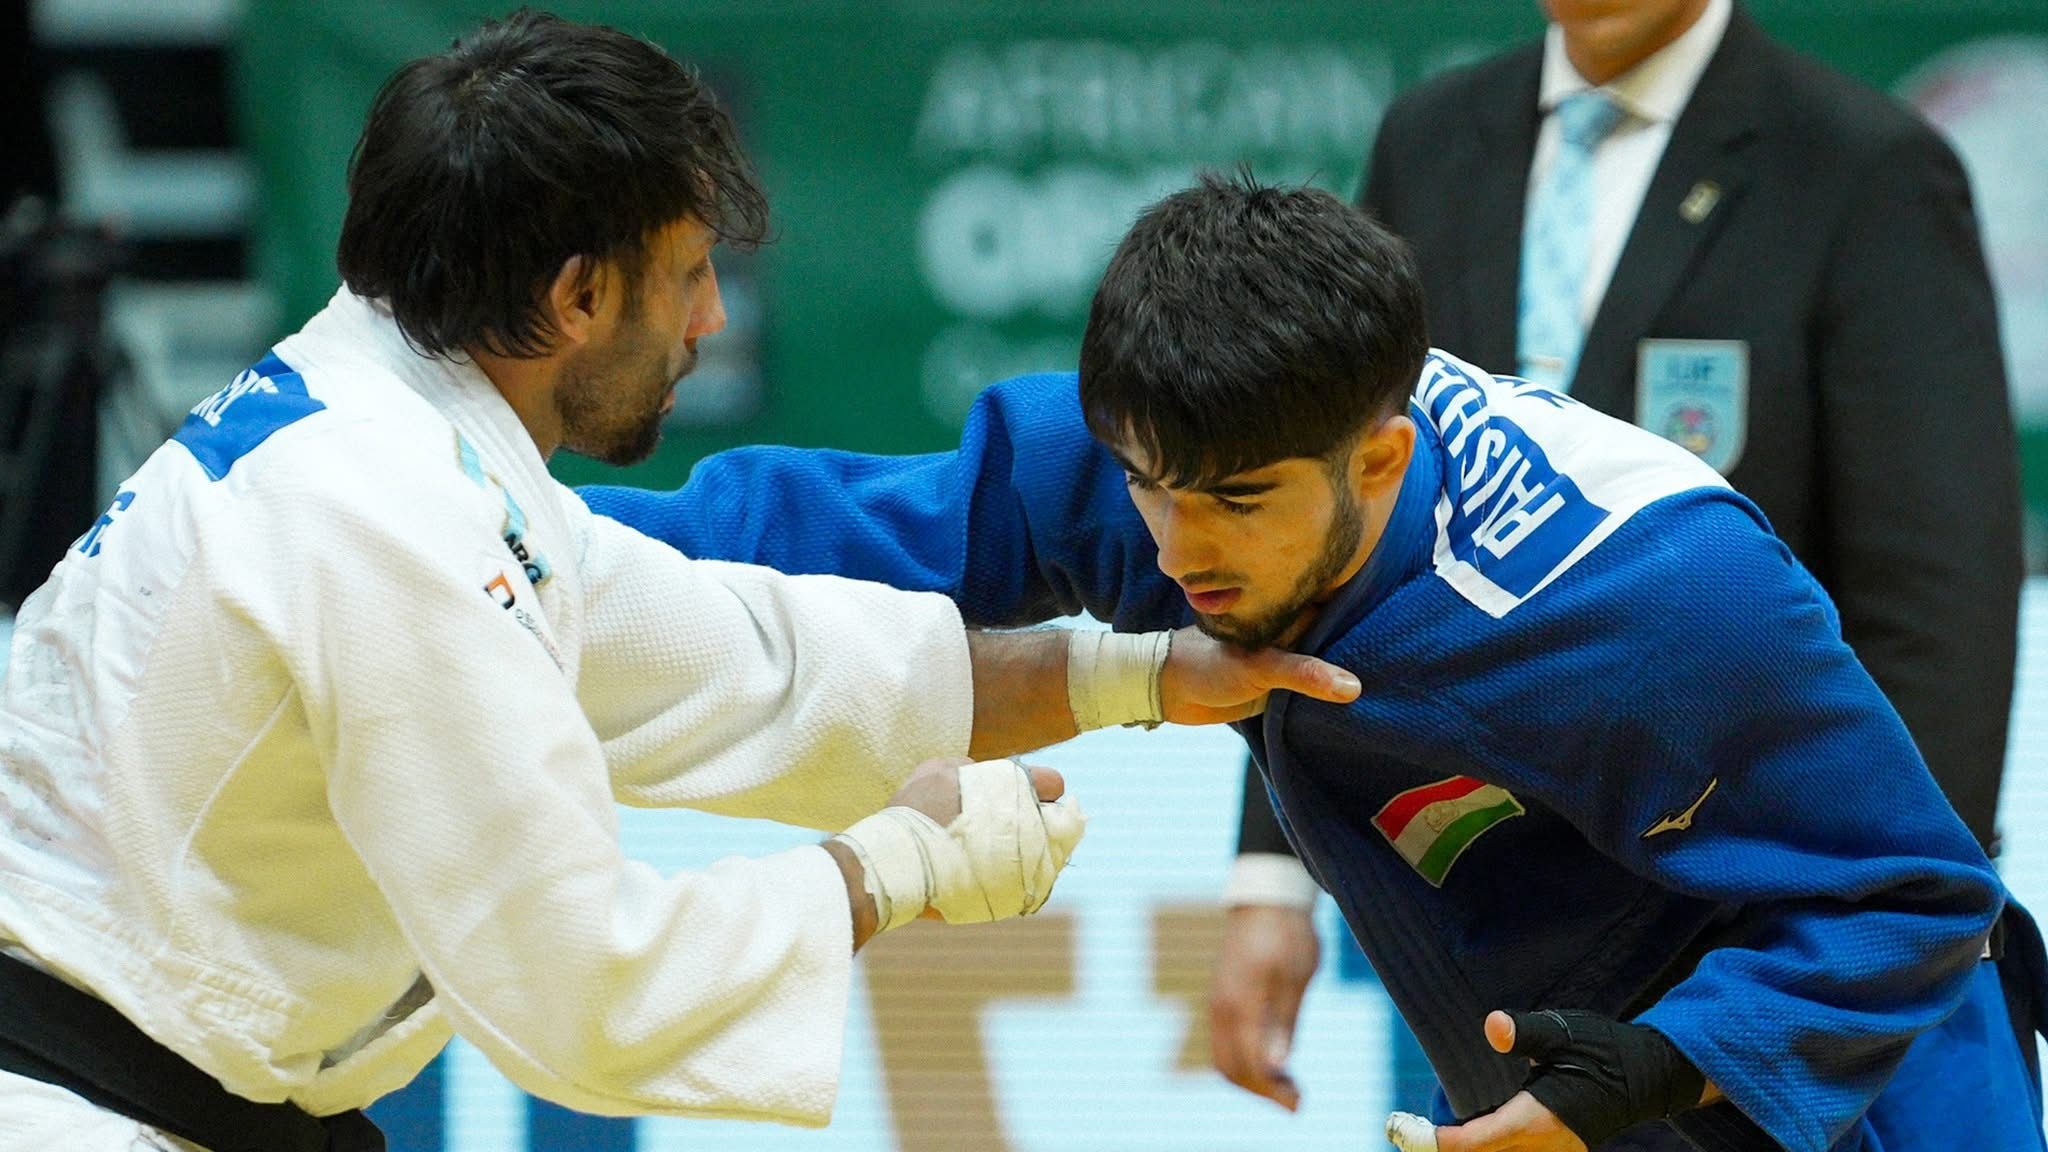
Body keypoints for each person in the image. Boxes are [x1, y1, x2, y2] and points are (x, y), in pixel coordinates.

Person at [0, 16, 1360, 1152]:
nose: (711, 320)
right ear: (579, 296)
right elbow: (581, 982)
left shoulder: (384, 415)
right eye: (692, 274)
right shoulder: (388, 520)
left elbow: (750, 665)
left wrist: (1142, 676)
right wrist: (895, 868)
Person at [585, 174, 2045, 1151]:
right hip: (1548, 1061)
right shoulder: (1180, 448)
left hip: (1858, 1083)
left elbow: (1911, 896)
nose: (1175, 550)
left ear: (1382, 455)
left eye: (1230, 504)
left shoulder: (1655, 599)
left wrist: (1653, 1069)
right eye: (1147, 487)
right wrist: (516, 537)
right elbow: (815, 534)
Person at [1217, 1, 2025, 1123]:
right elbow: (1306, 525)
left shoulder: (1860, 164)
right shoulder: (1434, 139)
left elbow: (1935, 591)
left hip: (1748, 919)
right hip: (1468, 896)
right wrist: (1270, 873)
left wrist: (1882, 933)